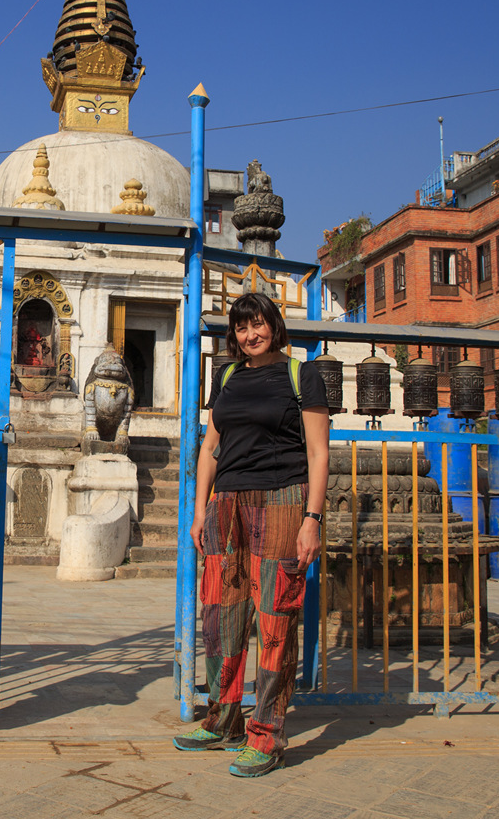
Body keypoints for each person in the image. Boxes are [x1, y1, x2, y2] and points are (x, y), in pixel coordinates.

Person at [174, 292, 330, 778]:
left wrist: (312, 519)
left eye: (259, 325)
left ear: (275, 326)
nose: (250, 335)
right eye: (242, 328)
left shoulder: (301, 375)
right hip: (227, 507)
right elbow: (209, 449)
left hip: (281, 501)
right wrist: (199, 511)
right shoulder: (228, 377)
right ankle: (224, 721)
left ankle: (266, 734)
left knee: (275, 620)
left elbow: (320, 454)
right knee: (221, 616)